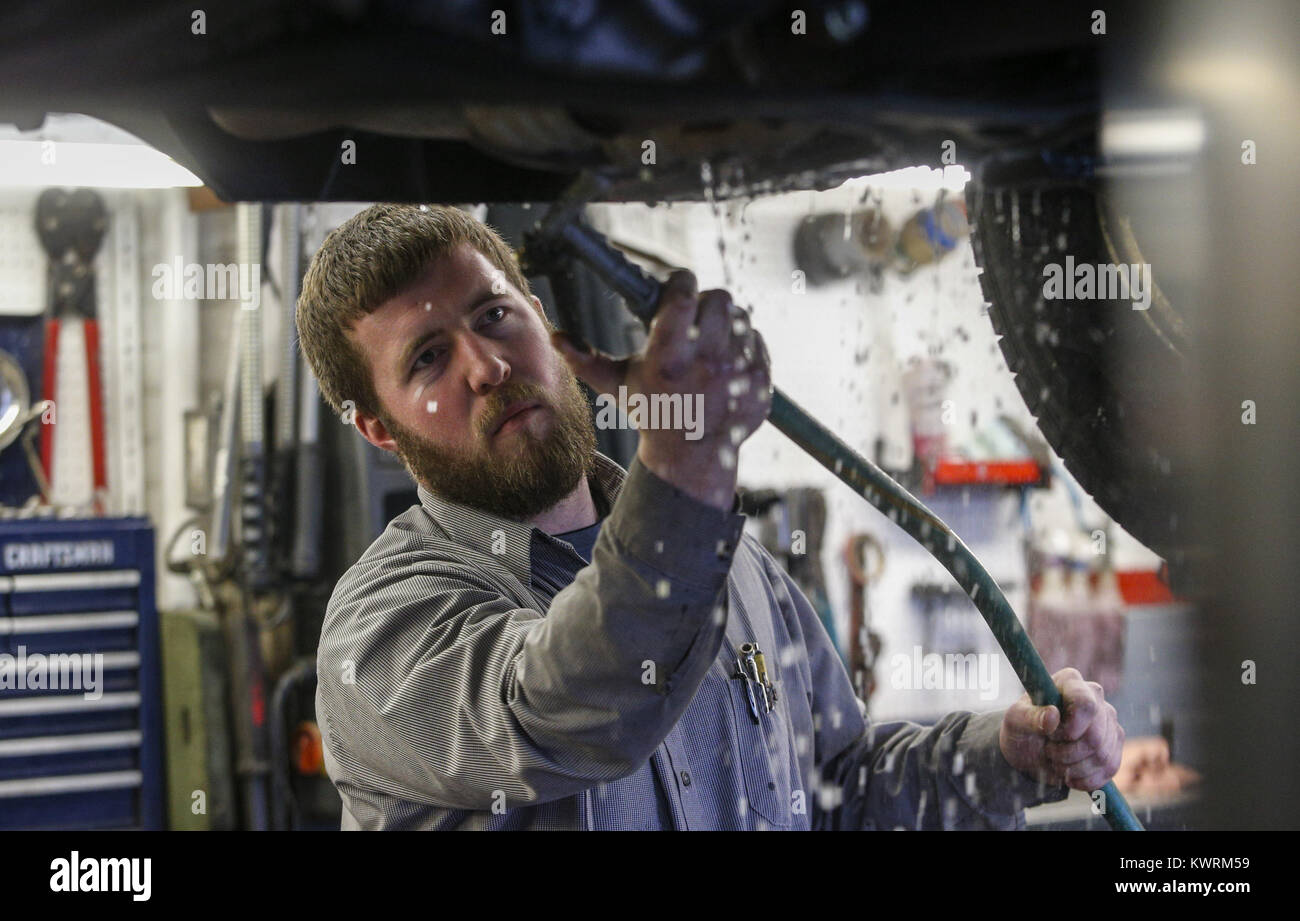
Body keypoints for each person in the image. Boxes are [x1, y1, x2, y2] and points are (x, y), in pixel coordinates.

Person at [294, 203, 1124, 830]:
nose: (486, 364)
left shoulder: (729, 562)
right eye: (428, 357)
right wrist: (686, 462)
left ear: (542, 323)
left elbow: (838, 783)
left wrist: (1009, 754)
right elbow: (563, 712)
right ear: (379, 428)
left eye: (493, 314)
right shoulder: (384, 626)